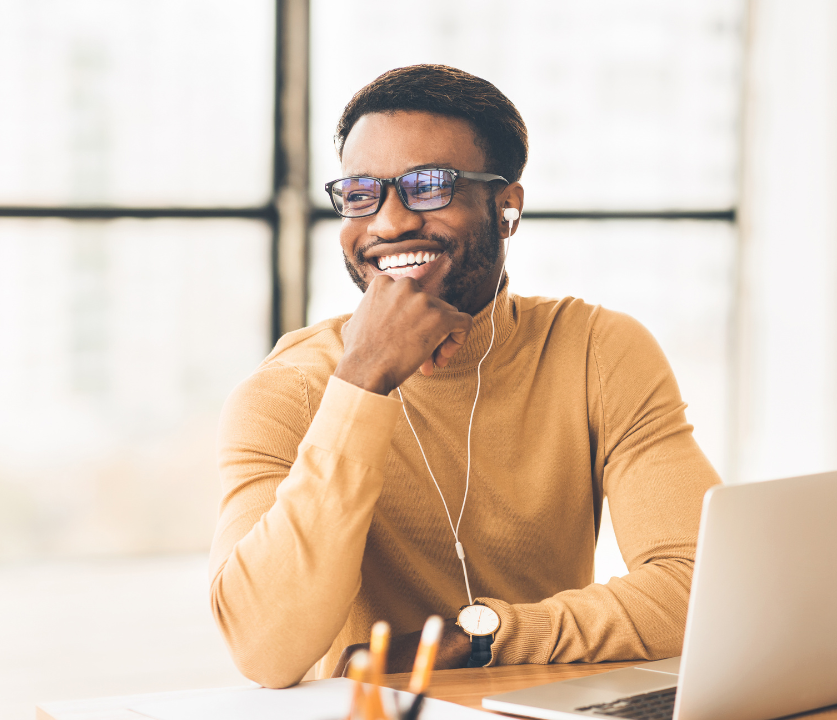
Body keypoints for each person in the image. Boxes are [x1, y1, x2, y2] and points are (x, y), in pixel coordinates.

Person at [208, 64, 721, 689]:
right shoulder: (287, 392)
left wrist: (477, 638)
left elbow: (703, 587)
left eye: (429, 187)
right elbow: (264, 650)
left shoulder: (594, 351)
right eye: (361, 192)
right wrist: (363, 379)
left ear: (506, 205)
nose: (389, 223)